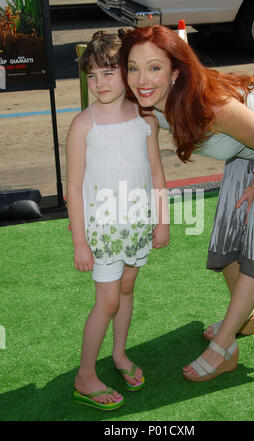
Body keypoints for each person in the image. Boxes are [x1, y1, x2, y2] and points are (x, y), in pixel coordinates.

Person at [119, 25, 254, 382]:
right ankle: (243, 318)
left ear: (175, 72)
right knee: (228, 244)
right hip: (248, 153)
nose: (142, 79)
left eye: (154, 68)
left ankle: (223, 348)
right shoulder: (146, 102)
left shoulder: (211, 105)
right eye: (133, 67)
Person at [66, 30, 169, 410]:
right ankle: (85, 375)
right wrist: (79, 242)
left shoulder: (146, 119)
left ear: (127, 73)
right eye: (91, 76)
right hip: (103, 232)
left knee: (126, 290)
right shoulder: (83, 126)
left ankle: (120, 354)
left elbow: (156, 173)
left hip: (137, 226)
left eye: (108, 73)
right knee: (106, 302)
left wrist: (162, 221)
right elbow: (74, 189)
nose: (98, 83)